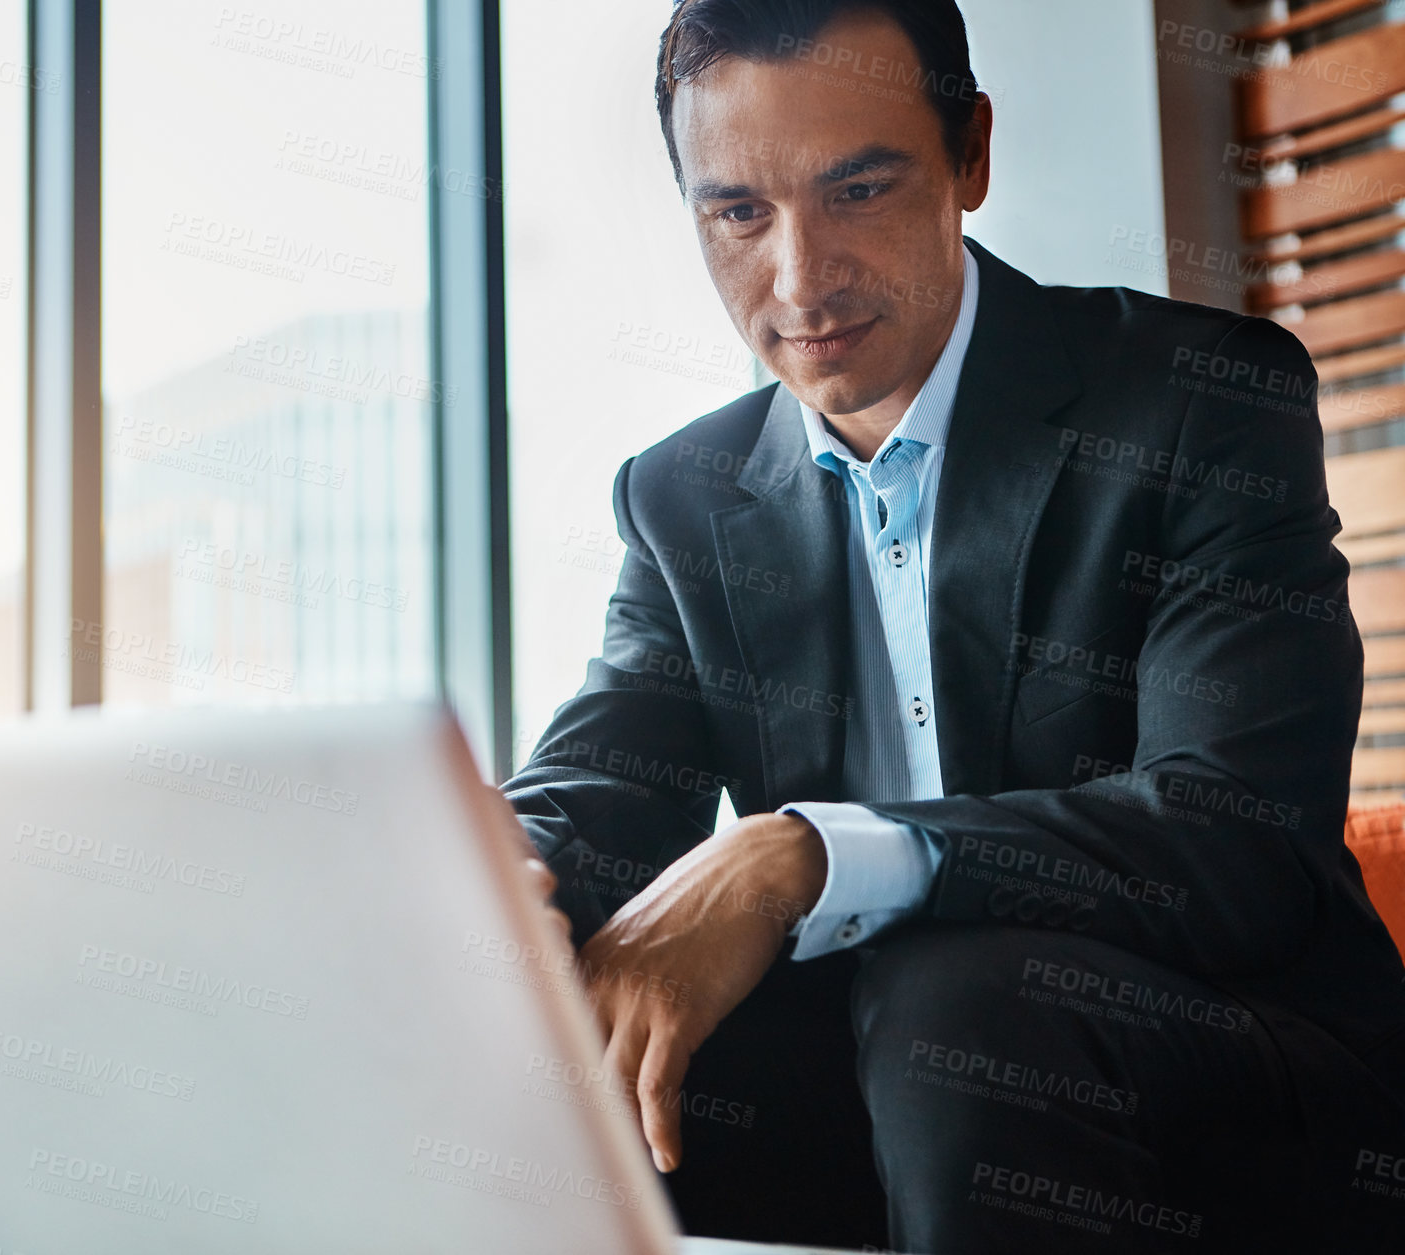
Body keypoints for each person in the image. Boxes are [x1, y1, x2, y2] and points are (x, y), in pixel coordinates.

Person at [501, 2, 1405, 1252]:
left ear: (968, 153)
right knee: (549, 1043)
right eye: (737, 214)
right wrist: (480, 886)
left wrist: (806, 855)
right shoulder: (684, 497)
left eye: (857, 189)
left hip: (1242, 1081)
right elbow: (598, 783)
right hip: (899, 1084)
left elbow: (1228, 843)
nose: (799, 278)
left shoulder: (1200, 404)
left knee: (957, 995)